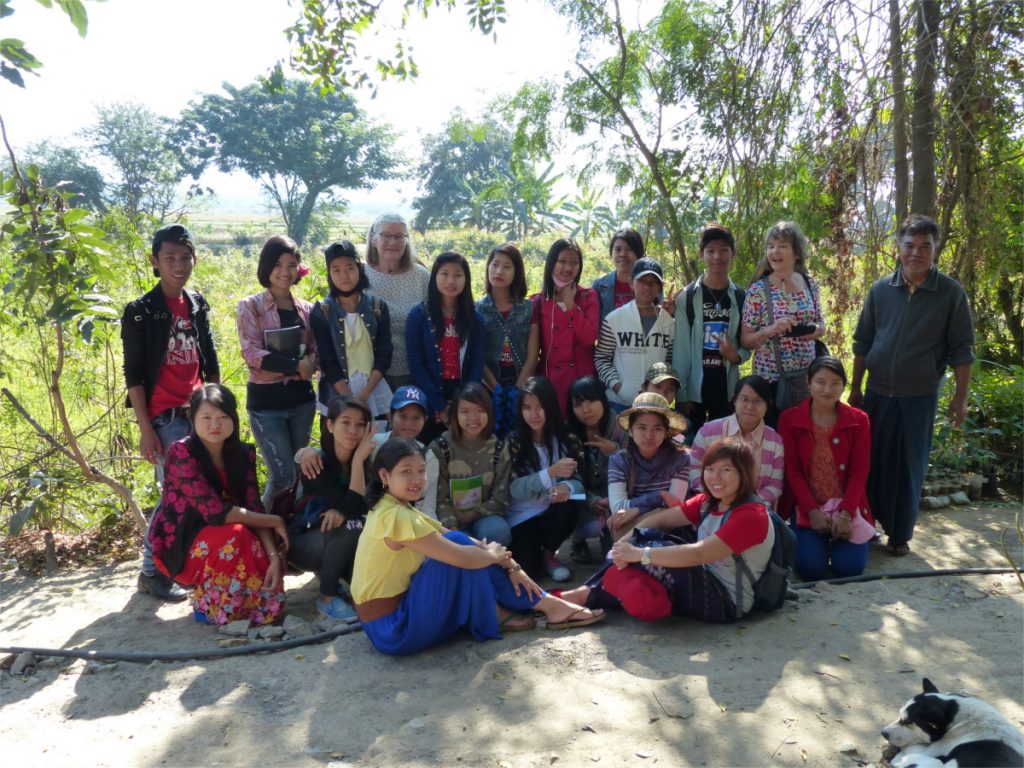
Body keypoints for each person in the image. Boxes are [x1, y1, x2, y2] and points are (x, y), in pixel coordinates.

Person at [350, 438, 605, 656]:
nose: (417, 479)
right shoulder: (394, 515)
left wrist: (509, 562)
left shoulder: (397, 507)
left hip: (397, 617)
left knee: (465, 545)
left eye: (420, 471)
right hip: (394, 629)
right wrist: (494, 555)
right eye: (406, 472)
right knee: (463, 550)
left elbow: (451, 535)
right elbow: (462, 556)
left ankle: (544, 603)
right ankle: (533, 607)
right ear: (384, 475)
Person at [849, 214, 975, 556]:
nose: (916, 253)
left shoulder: (949, 293)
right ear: (899, 247)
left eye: (925, 246)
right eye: (910, 245)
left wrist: (960, 399)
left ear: (935, 249)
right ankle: (867, 525)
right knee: (870, 460)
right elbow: (863, 342)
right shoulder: (880, 290)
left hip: (918, 396)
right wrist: (857, 387)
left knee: (908, 464)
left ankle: (900, 534)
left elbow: (962, 350)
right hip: (877, 392)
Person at [561, 440, 775, 623]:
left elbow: (699, 554)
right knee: (647, 537)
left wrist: (638, 554)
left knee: (652, 548)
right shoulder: (709, 501)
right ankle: (588, 594)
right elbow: (660, 519)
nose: (715, 477)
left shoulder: (751, 515)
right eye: (710, 469)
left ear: (743, 473)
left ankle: (582, 596)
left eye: (726, 470)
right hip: (704, 577)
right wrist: (622, 545)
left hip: (726, 600)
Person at [122, 223, 220, 602]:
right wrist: (146, 430)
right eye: (169, 258)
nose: (178, 265)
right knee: (174, 495)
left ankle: (177, 567)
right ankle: (150, 572)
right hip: (164, 419)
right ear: (155, 261)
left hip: (196, 413)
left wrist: (214, 409)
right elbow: (134, 379)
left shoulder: (196, 304)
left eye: (184, 257)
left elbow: (210, 361)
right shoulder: (141, 312)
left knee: (196, 492)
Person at [147, 384, 287, 625]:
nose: (215, 425)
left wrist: (274, 554)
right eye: (207, 417)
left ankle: (249, 604)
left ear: (233, 419)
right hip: (184, 543)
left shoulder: (244, 454)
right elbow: (215, 513)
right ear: (192, 418)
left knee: (254, 538)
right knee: (236, 534)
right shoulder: (181, 453)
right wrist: (275, 520)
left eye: (223, 417)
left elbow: (253, 507)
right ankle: (211, 604)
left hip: (230, 532)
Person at [237, 235, 318, 508]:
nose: (285, 272)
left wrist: (310, 362)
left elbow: (315, 350)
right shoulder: (251, 306)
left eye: (292, 264)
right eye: (278, 264)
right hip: (267, 405)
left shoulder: (306, 309)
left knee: (299, 473)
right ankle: (264, 532)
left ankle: (291, 530)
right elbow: (251, 353)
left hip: (302, 402)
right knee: (282, 476)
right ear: (266, 267)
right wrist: (297, 366)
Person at [778, 357, 874, 580]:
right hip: (808, 506)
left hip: (847, 506)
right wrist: (812, 511)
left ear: (844, 385)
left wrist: (847, 513)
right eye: (821, 382)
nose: (828, 389)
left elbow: (859, 472)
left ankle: (839, 538)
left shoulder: (859, 420)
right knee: (810, 569)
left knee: (849, 569)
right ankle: (816, 541)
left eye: (836, 382)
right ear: (808, 383)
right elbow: (793, 472)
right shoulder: (789, 419)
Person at [290, 396, 375, 620]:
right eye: (345, 422)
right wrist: (357, 462)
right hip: (304, 544)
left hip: (340, 539)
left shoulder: (371, 462)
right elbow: (353, 507)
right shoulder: (316, 463)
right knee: (353, 525)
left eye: (360, 424)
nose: (353, 430)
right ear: (330, 425)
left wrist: (360, 462)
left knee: (369, 596)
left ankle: (337, 581)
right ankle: (326, 598)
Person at [740, 221, 827, 426]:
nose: (775, 251)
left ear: (796, 253)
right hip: (770, 383)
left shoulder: (809, 283)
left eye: (782, 246)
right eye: (771, 246)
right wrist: (770, 330)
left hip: (805, 380)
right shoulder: (758, 290)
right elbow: (746, 340)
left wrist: (816, 331)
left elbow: (821, 324)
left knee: (802, 439)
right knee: (773, 441)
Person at [507, 376, 586, 582]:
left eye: (540, 406)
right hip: (522, 516)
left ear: (550, 406)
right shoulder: (514, 441)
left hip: (551, 511)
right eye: (527, 407)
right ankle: (536, 555)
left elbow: (579, 481)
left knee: (569, 507)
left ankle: (549, 554)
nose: (533, 414)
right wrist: (550, 473)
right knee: (528, 571)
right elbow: (514, 489)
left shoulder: (566, 440)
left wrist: (566, 487)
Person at [673, 224, 749, 439]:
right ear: (702, 254)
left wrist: (736, 356)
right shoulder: (687, 297)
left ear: (733, 253)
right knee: (685, 448)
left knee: (724, 449)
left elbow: (747, 341)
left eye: (724, 250)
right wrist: (682, 393)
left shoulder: (741, 298)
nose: (717, 256)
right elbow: (681, 348)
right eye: (711, 250)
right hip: (693, 391)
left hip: (727, 390)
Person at [406, 251, 485, 445]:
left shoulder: (475, 319)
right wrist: (440, 404)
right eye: (445, 274)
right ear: (434, 277)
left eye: (458, 275)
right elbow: (417, 365)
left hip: (464, 392)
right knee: (430, 451)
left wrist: (464, 401)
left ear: (466, 279)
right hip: (429, 393)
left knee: (462, 449)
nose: (451, 280)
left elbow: (477, 362)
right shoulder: (418, 316)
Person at [310, 240, 393, 420]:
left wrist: (364, 395)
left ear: (359, 269)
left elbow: (384, 354)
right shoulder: (322, 311)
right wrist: (349, 398)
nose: (344, 275)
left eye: (349, 267)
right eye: (336, 269)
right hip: (336, 395)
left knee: (376, 443)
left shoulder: (378, 307)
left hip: (373, 393)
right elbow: (327, 360)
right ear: (329, 273)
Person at [429, 383, 513, 546]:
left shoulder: (499, 448)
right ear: (455, 414)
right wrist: (452, 526)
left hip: (485, 517)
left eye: (480, 411)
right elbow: (438, 498)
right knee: (457, 541)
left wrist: (472, 514)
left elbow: (501, 499)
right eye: (465, 412)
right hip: (449, 519)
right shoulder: (440, 448)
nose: (473, 418)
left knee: (498, 531)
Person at [690, 375, 785, 509]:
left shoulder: (775, 441)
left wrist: (749, 505)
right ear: (735, 400)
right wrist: (714, 497)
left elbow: (775, 484)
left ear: (768, 405)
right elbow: (693, 467)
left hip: (755, 513)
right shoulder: (708, 432)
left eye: (758, 401)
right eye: (744, 399)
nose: (750, 406)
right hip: (711, 507)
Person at [606, 392, 690, 541]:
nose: (649, 435)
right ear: (630, 430)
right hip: (630, 531)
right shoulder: (619, 461)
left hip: (668, 530)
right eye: (642, 428)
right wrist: (660, 497)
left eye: (657, 428)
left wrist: (638, 508)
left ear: (666, 432)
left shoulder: (680, 459)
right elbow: (618, 509)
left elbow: (675, 506)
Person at [530, 238, 600, 415]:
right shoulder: (538, 302)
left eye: (574, 263)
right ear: (552, 263)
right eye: (562, 261)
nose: (568, 268)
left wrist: (571, 305)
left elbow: (589, 338)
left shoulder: (588, 296)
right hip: (549, 382)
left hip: (581, 383)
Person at [595, 257, 674, 411]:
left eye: (653, 282)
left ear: (660, 287)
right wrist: (619, 387)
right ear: (631, 283)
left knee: (679, 436)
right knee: (617, 436)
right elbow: (601, 358)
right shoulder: (614, 319)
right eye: (642, 281)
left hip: (655, 405)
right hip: (618, 403)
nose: (647, 287)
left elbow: (669, 361)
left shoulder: (668, 322)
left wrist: (665, 393)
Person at [477, 243, 539, 438]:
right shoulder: (477, 308)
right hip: (488, 385)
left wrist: (519, 389)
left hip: (521, 382)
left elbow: (533, 353)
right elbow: (477, 355)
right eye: (495, 265)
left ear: (516, 272)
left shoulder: (529, 308)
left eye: (507, 266)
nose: (499, 271)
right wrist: (496, 388)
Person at [363, 213, 430, 391]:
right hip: (369, 375)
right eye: (386, 235)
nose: (393, 242)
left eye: (399, 236)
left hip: (414, 372)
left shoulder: (421, 276)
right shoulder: (359, 275)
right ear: (373, 238)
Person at [565, 376, 626, 563]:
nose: (585, 410)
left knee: (611, 555)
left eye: (591, 401)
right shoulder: (568, 432)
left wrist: (615, 450)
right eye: (578, 404)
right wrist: (590, 500)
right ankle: (578, 540)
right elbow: (565, 478)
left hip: (615, 500)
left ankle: (606, 536)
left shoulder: (619, 425)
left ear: (603, 399)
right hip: (582, 501)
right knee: (564, 498)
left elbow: (637, 460)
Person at [371, 385, 439, 519]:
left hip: (411, 522)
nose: (409, 423)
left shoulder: (428, 458)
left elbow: (427, 507)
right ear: (390, 416)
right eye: (403, 416)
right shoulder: (373, 446)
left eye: (416, 418)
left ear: (424, 420)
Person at [592, 228, 644, 325]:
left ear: (639, 253)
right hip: (608, 340)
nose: (623, 254)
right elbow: (593, 325)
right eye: (618, 249)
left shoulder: (650, 284)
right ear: (611, 253)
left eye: (629, 249)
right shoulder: (599, 286)